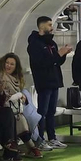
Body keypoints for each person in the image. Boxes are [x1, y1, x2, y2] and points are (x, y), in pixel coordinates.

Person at [27, 15, 72, 149]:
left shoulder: (51, 43)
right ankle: (40, 139)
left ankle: (52, 138)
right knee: (42, 112)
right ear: (42, 27)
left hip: (54, 81)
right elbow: (42, 63)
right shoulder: (34, 44)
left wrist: (63, 54)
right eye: (50, 25)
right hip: (43, 82)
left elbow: (56, 62)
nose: (52, 28)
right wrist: (58, 54)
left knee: (51, 111)